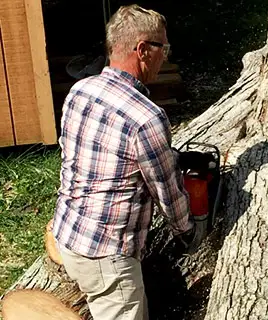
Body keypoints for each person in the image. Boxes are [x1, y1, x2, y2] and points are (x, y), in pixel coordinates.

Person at [52, 4, 202, 320]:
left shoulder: (81, 91)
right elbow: (168, 193)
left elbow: (89, 153)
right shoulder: (146, 118)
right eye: (164, 47)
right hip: (108, 257)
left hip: (69, 235)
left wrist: (173, 157)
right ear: (143, 50)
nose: (167, 56)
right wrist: (189, 231)